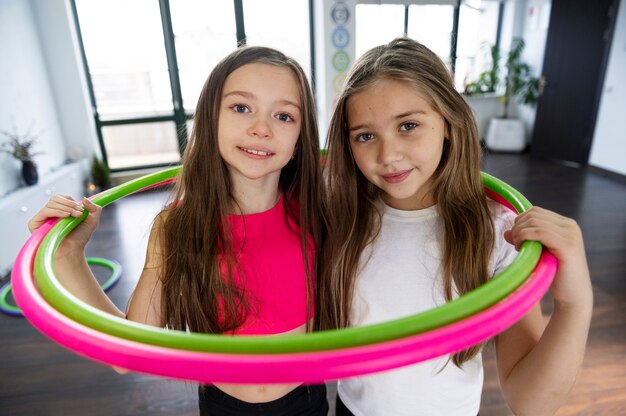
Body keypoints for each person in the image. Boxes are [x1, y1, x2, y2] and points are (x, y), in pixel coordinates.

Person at [28, 46, 329, 416]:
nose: (261, 128)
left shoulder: (320, 214)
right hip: (223, 406)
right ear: (209, 119)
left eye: (284, 115)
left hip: (307, 400)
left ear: (301, 138)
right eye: (240, 107)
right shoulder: (176, 227)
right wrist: (68, 255)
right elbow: (127, 356)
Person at [316, 37, 593, 416]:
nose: (388, 155)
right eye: (365, 135)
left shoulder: (498, 234)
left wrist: (575, 303)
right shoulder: (341, 217)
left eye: (408, 125)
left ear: (448, 123)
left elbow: (531, 403)